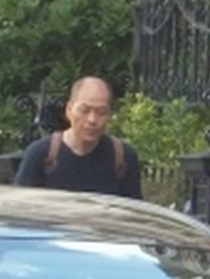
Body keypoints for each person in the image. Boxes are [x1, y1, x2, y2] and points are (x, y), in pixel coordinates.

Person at [13, 77, 143, 198]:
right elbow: (21, 211)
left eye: (101, 112)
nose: (92, 120)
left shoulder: (123, 158)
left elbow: (133, 216)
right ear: (69, 110)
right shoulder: (41, 154)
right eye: (84, 110)